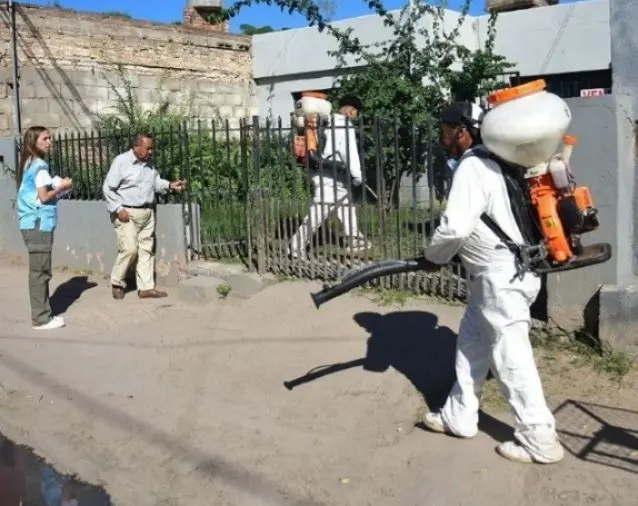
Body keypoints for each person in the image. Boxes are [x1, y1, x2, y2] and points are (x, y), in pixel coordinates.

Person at [421, 101, 564, 464]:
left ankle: (539, 439)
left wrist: (432, 257)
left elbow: (454, 226)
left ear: (463, 131)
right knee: (472, 343)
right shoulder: (500, 162)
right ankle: (460, 414)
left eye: (446, 131)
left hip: (498, 280)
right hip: (508, 273)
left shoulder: (472, 166)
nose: (444, 138)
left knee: (510, 355)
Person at [102, 132, 186, 300]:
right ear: (136, 147)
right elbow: (107, 188)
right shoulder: (121, 162)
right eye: (148, 148)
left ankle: (146, 288)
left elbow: (155, 182)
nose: (151, 152)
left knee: (146, 250)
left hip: (147, 212)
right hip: (127, 213)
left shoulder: (149, 164)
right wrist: (118, 209)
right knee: (130, 249)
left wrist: (170, 185)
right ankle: (117, 282)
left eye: (152, 148)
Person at [287, 95, 371, 259]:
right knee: (318, 213)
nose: (355, 117)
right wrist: (358, 176)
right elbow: (349, 153)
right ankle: (296, 248)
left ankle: (357, 241)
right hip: (331, 177)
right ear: (351, 110)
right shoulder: (344, 125)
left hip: (323, 173)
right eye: (356, 113)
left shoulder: (325, 122)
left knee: (346, 208)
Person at [16, 126, 73, 330]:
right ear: (34, 142)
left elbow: (37, 192)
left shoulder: (29, 162)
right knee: (40, 272)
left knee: (39, 270)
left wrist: (55, 185)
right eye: (45, 139)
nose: (49, 142)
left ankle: (43, 314)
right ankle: (41, 319)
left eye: (50, 138)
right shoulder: (39, 165)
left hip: (32, 223)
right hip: (38, 223)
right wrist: (63, 187)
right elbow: (43, 197)